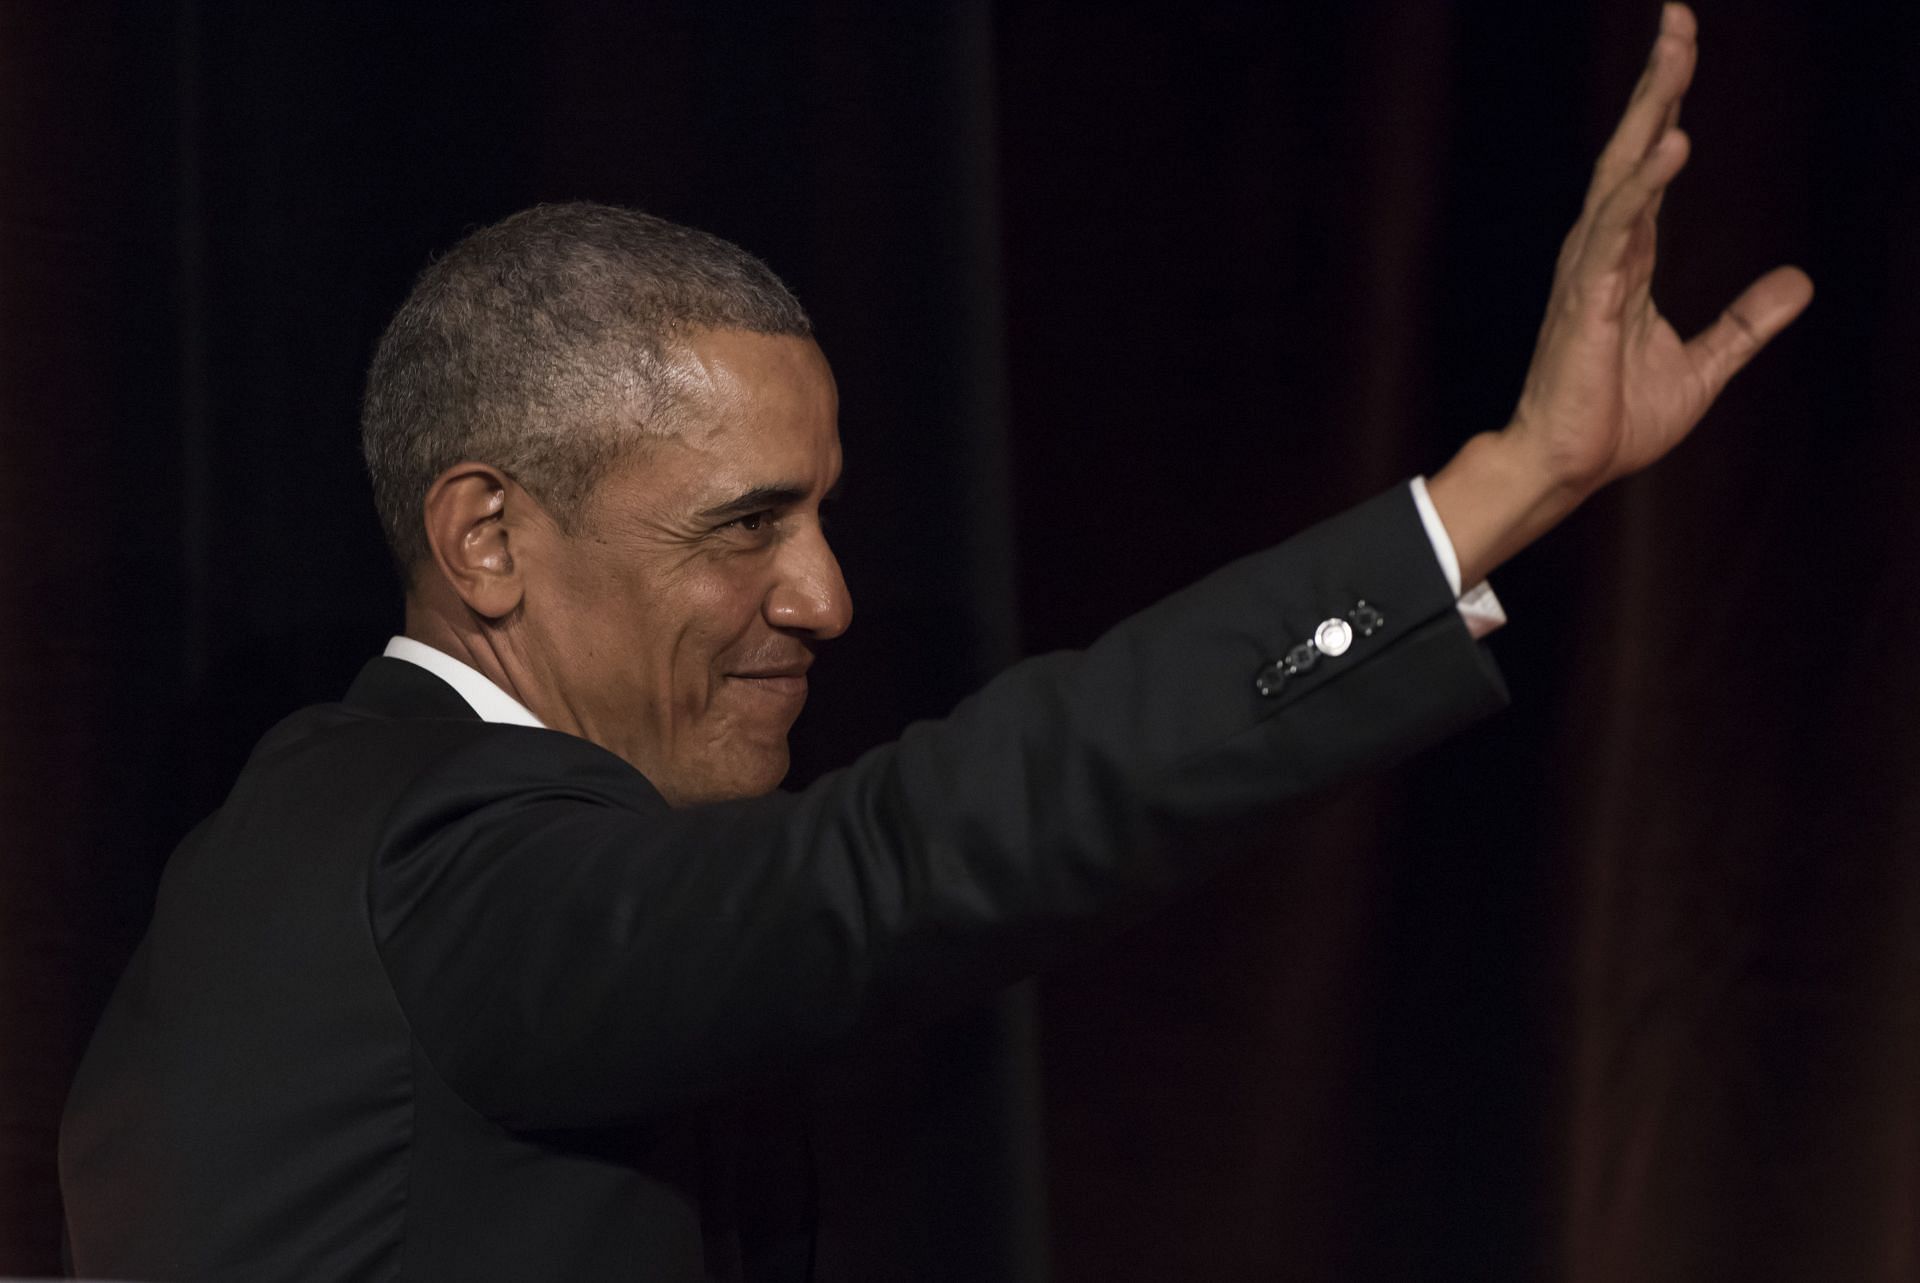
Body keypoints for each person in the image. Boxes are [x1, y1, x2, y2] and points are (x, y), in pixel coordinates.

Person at [58, 6, 1810, 1281]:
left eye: (822, 519)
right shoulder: (443, 858)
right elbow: (904, 865)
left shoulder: (322, 836)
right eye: (748, 525)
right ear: (489, 539)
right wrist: (1499, 490)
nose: (825, 596)